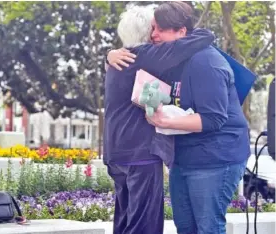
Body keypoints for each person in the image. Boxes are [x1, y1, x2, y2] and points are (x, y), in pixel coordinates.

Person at [107, 2, 251, 234]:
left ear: (182, 33)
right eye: (152, 28)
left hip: (216, 158)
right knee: (185, 226)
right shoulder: (169, 58)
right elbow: (136, 57)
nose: (153, 35)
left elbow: (213, 119)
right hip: (184, 157)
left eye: (160, 29)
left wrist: (166, 122)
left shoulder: (206, 62)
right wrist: (110, 55)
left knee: (208, 227)